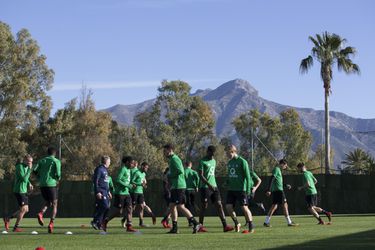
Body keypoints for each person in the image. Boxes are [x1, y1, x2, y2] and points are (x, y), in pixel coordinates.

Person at [163, 144, 200, 234]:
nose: (164, 153)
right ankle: (175, 228)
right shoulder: (172, 159)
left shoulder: (175, 159)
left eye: (165, 151)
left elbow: (180, 171)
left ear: (170, 150)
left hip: (179, 186)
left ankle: (196, 223)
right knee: (172, 206)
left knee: (180, 206)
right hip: (175, 186)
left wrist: (169, 175)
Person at [198, 145, 234, 233]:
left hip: (214, 187)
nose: (212, 156)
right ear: (207, 152)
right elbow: (200, 175)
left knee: (219, 204)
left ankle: (225, 226)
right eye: (211, 154)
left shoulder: (214, 161)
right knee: (204, 206)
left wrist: (212, 185)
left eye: (213, 154)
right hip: (205, 187)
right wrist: (208, 184)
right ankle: (200, 226)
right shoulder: (202, 161)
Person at [225, 145, 255, 234]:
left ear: (232, 152)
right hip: (231, 189)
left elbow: (248, 177)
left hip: (241, 189)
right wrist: (226, 182)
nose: (226, 155)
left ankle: (251, 226)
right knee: (228, 207)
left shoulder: (242, 161)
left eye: (227, 153)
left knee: (244, 208)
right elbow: (229, 175)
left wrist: (249, 190)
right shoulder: (229, 163)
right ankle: (237, 223)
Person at [103, 156, 136, 232]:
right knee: (119, 212)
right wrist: (127, 185)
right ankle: (105, 221)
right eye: (132, 163)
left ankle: (129, 226)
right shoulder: (123, 169)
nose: (133, 165)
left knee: (129, 208)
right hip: (120, 193)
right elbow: (118, 180)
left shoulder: (128, 170)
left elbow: (126, 181)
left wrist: (131, 184)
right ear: (127, 162)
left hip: (126, 193)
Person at [33, 147, 61, 234]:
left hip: (42, 185)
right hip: (51, 184)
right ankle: (51, 223)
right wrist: (57, 179)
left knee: (48, 202)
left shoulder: (41, 161)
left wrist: (40, 178)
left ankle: (41, 213)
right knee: (55, 204)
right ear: (54, 154)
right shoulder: (56, 161)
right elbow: (58, 174)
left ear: (47, 153)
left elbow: (34, 171)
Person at [3, 155, 34, 232]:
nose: (30, 163)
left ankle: (8, 218)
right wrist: (29, 170)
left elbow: (26, 179)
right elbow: (23, 178)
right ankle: (16, 227)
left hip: (23, 191)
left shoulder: (26, 167)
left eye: (31, 162)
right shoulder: (19, 166)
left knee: (26, 209)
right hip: (19, 190)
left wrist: (29, 183)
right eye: (29, 161)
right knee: (23, 209)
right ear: (24, 160)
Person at [264, 159, 298, 227]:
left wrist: (285, 185)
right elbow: (272, 178)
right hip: (279, 191)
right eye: (285, 165)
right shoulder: (276, 169)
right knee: (285, 205)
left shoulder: (278, 170)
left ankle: (266, 222)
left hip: (277, 190)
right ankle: (289, 222)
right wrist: (269, 190)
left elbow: (278, 182)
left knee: (274, 206)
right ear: (282, 164)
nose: (285, 167)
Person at [131, 162, 156, 227]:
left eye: (147, 168)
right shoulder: (136, 172)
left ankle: (141, 223)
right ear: (142, 166)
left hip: (141, 192)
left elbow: (143, 182)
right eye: (146, 167)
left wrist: (144, 185)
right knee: (132, 208)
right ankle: (128, 221)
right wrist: (140, 184)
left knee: (142, 207)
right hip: (135, 192)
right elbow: (132, 181)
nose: (147, 169)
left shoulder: (144, 174)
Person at [91, 155, 112, 231]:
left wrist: (108, 191)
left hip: (105, 191)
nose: (110, 163)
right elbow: (95, 181)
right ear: (106, 161)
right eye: (109, 161)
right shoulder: (99, 169)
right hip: (101, 191)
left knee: (107, 207)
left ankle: (99, 223)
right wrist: (97, 192)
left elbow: (105, 182)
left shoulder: (105, 170)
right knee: (105, 206)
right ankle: (95, 221)